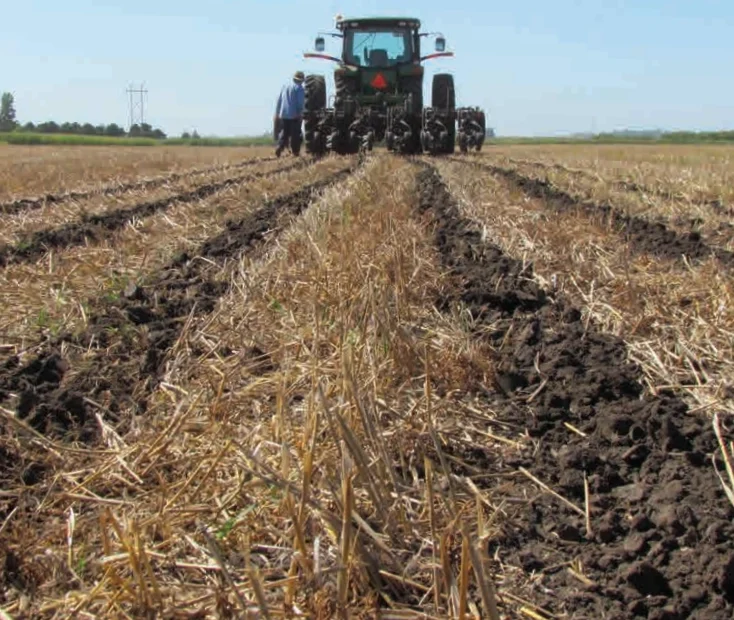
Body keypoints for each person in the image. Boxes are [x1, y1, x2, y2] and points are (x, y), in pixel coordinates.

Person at [274, 71, 305, 157]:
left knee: (284, 133)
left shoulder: (285, 86)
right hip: (294, 115)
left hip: (283, 114)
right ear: (302, 80)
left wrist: (278, 112)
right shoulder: (299, 88)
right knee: (296, 134)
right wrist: (300, 114)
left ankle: (279, 147)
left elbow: (279, 100)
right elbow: (300, 103)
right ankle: (295, 152)